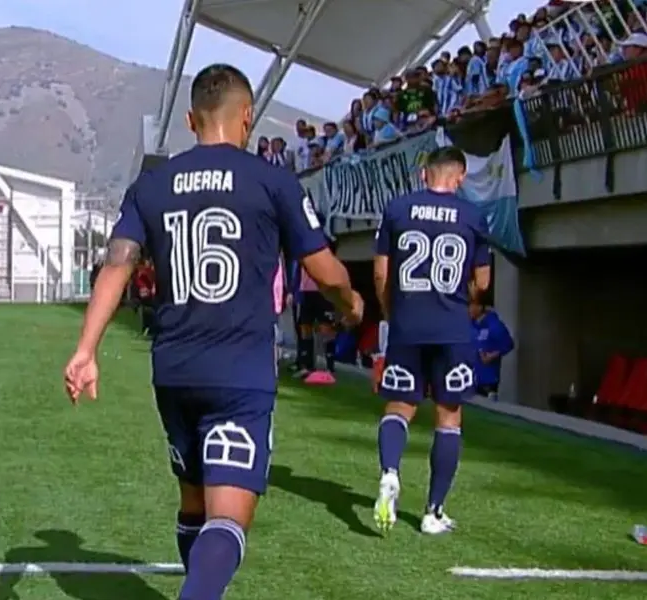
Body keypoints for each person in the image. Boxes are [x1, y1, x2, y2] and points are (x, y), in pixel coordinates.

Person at [63, 63, 363, 600]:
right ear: (247, 117)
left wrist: (86, 349)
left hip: (174, 369)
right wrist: (350, 302)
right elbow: (323, 267)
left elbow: (116, 264)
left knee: (194, 505)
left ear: (189, 119)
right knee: (228, 519)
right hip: (240, 373)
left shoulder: (152, 184)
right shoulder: (271, 180)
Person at [371, 146, 491, 535]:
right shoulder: (473, 216)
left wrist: (393, 313)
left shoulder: (398, 209)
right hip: (452, 329)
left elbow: (380, 274)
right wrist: (466, 300)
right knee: (448, 416)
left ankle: (390, 471)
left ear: (424, 174)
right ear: (459, 177)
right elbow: (483, 282)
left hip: (408, 324)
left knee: (399, 407)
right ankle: (433, 512)